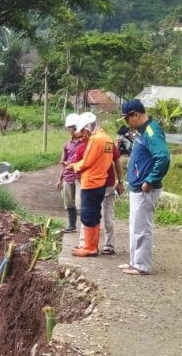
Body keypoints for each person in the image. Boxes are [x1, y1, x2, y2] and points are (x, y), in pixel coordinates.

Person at [118, 99, 170, 275]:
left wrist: (150, 180)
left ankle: (142, 265)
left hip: (145, 187)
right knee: (135, 225)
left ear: (136, 115)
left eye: (127, 119)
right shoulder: (142, 132)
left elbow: (163, 157)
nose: (127, 123)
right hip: (137, 186)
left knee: (142, 227)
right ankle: (134, 261)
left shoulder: (151, 131)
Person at [67, 112, 114, 257]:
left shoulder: (95, 140)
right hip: (100, 182)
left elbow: (87, 162)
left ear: (88, 128)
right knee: (94, 215)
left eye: (84, 132)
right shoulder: (107, 139)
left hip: (91, 182)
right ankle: (92, 246)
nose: (83, 136)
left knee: (88, 215)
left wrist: (73, 166)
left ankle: (89, 247)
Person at [56, 113, 82, 233]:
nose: (72, 130)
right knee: (69, 202)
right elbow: (63, 163)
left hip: (80, 177)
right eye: (70, 128)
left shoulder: (85, 143)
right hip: (68, 177)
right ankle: (72, 225)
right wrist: (59, 179)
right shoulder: (67, 145)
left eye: (74, 127)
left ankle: (85, 227)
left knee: (81, 203)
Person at [101, 142, 124, 255]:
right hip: (90, 185)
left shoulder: (107, 143)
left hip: (107, 184)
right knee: (89, 216)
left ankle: (109, 244)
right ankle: (88, 243)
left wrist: (120, 182)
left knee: (107, 215)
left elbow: (117, 160)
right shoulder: (85, 141)